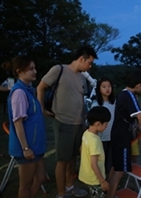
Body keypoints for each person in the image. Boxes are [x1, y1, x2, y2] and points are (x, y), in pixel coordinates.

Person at [37, 45, 97, 198]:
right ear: (81, 59)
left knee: (73, 158)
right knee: (62, 160)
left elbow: (81, 99)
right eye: (89, 63)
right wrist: (41, 108)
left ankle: (70, 187)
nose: (90, 66)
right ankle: (61, 194)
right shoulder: (59, 70)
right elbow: (41, 87)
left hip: (79, 124)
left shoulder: (82, 77)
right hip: (63, 122)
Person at [4, 55, 47, 198]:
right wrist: (25, 148)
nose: (35, 71)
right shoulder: (19, 93)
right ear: (19, 72)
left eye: (35, 68)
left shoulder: (29, 90)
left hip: (36, 146)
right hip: (27, 148)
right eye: (31, 69)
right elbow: (18, 123)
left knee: (40, 178)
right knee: (25, 185)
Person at [107, 69, 141, 198]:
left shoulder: (123, 94)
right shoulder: (130, 96)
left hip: (117, 134)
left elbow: (129, 116)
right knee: (120, 170)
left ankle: (106, 192)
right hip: (122, 137)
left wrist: (139, 129)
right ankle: (110, 195)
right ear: (138, 85)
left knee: (115, 166)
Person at [79, 106, 111, 198]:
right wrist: (103, 181)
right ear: (98, 124)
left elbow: (81, 149)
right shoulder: (95, 141)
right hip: (95, 179)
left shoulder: (86, 133)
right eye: (106, 124)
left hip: (87, 175)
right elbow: (94, 164)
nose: (107, 126)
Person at [90, 77, 115, 179]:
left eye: (109, 86)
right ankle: (100, 179)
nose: (107, 89)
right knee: (101, 160)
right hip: (100, 138)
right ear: (99, 89)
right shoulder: (96, 104)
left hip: (112, 136)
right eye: (104, 87)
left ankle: (109, 179)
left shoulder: (114, 103)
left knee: (110, 160)